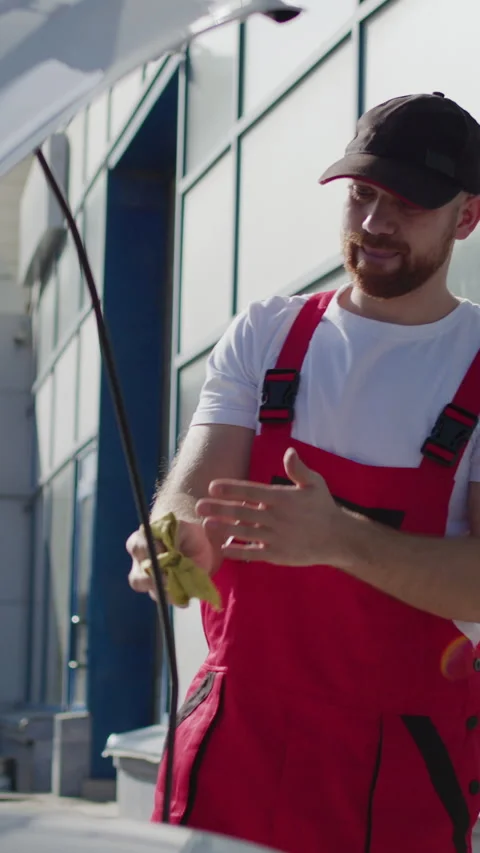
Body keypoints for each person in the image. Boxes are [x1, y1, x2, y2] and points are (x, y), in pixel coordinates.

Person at [126, 92, 480, 853]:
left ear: (468, 217)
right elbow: (195, 486)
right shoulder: (266, 332)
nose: (376, 223)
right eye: (361, 194)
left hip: (403, 772)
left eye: (408, 203)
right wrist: (174, 533)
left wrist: (341, 539)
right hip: (232, 747)